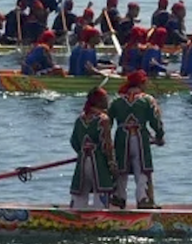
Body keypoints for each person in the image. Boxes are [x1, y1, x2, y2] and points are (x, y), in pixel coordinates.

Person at [109, 71, 165, 207]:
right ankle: (143, 199)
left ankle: (119, 197)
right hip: (140, 137)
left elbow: (106, 123)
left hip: (121, 137)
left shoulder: (116, 101)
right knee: (141, 168)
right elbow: (156, 121)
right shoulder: (147, 100)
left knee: (121, 167)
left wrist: (106, 143)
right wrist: (159, 136)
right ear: (141, 83)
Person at [68, 90, 117, 209]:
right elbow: (107, 145)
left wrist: (82, 152)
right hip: (98, 162)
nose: (108, 100)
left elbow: (74, 141)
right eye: (105, 98)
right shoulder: (103, 119)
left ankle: (76, 213)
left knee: (80, 193)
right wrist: (111, 163)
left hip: (82, 161)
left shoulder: (80, 119)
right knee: (101, 191)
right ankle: (100, 214)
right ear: (99, 102)